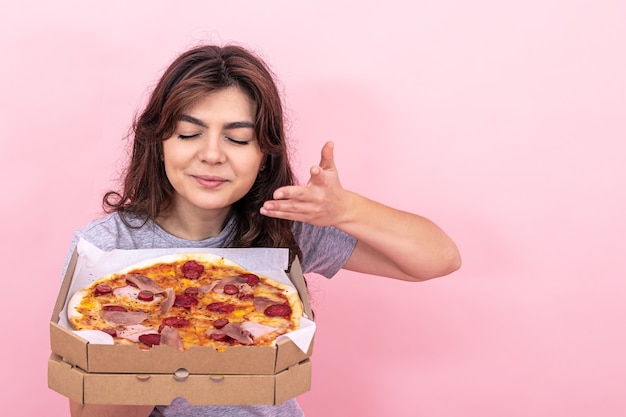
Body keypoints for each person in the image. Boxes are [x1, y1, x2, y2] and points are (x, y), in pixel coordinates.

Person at [63, 43, 461, 417]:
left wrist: (345, 209)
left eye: (237, 138)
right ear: (159, 140)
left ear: (263, 153)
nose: (212, 154)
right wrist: (159, 364)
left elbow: (439, 259)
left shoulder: (282, 228)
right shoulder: (104, 248)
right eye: (189, 133)